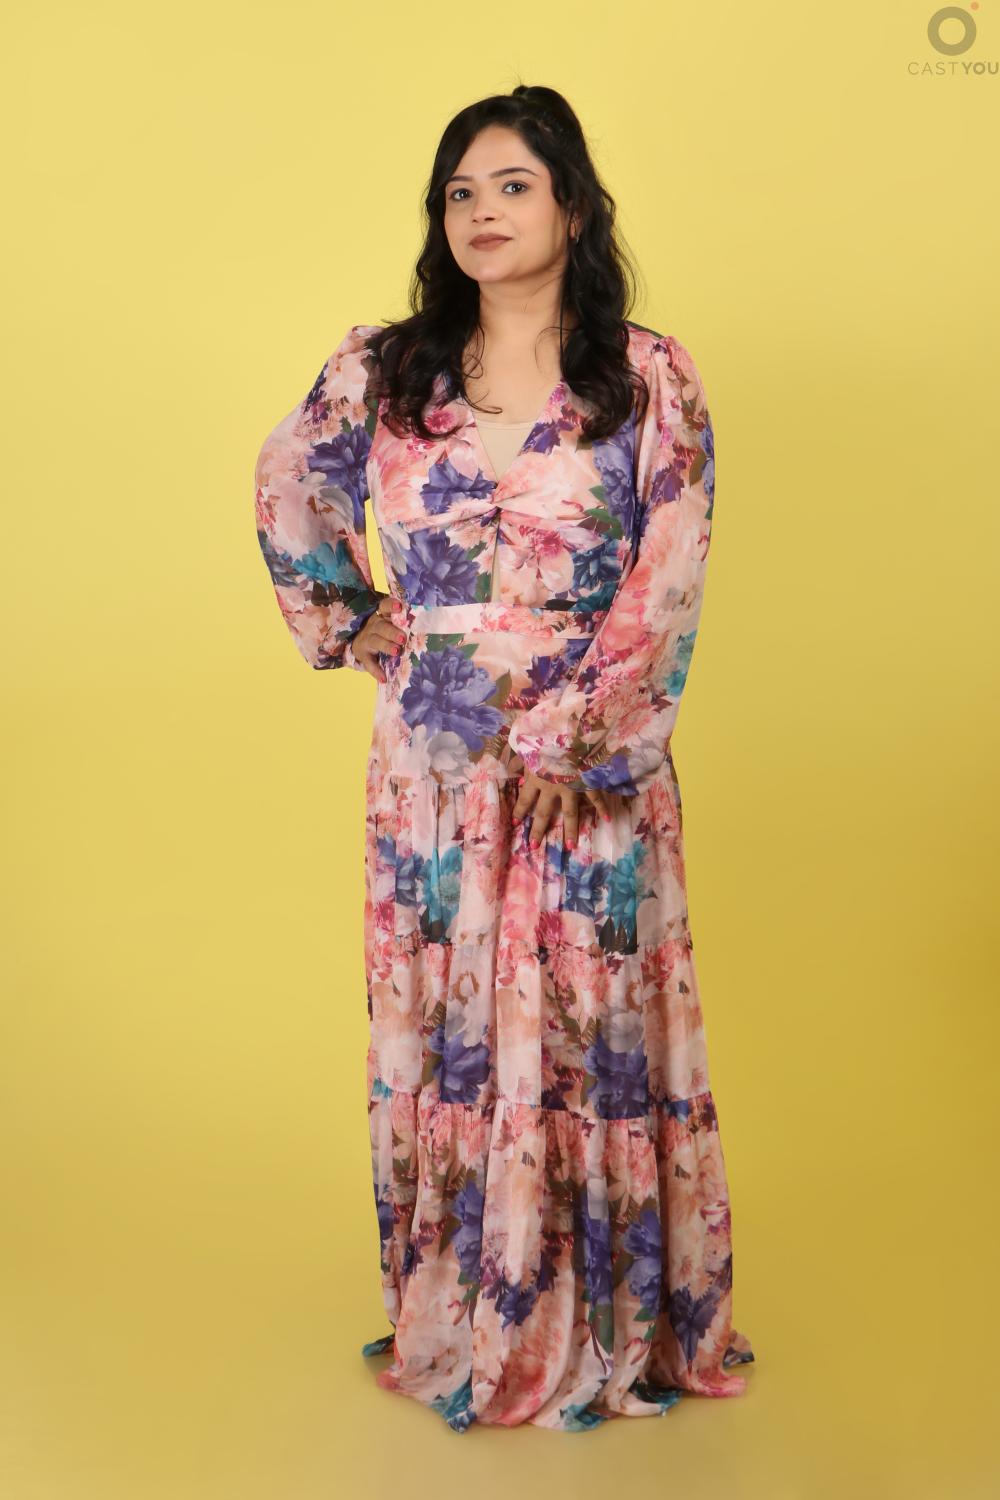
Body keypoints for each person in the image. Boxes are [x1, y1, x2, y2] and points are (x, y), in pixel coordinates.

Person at [253, 83, 755, 1433]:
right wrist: (355, 618)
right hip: (432, 764)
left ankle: (604, 1328)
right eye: (460, 193)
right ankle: (468, 1317)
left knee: (588, 1031)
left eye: (513, 186)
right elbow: (287, 481)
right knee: (453, 1032)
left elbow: (671, 567)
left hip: (591, 764)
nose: (481, 211)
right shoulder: (385, 370)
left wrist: (574, 732)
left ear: (573, 207)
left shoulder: (646, 375)